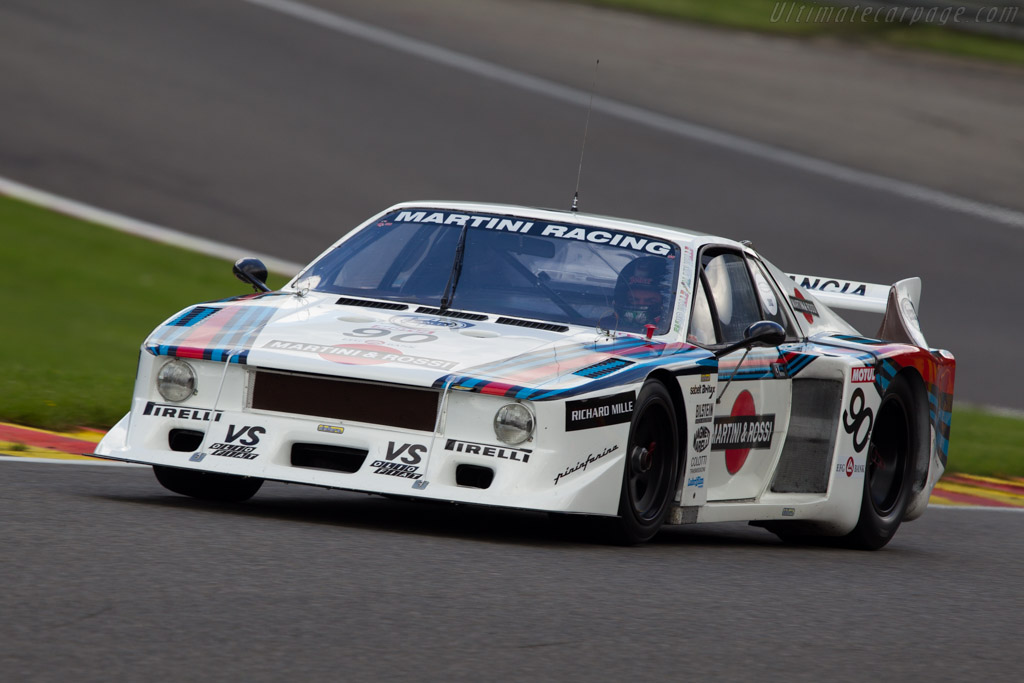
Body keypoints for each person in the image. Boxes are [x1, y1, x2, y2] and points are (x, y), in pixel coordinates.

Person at [612, 257, 668, 333]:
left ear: (664, 303)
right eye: (634, 300)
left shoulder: (676, 335)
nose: (641, 305)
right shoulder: (602, 326)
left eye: (650, 301)